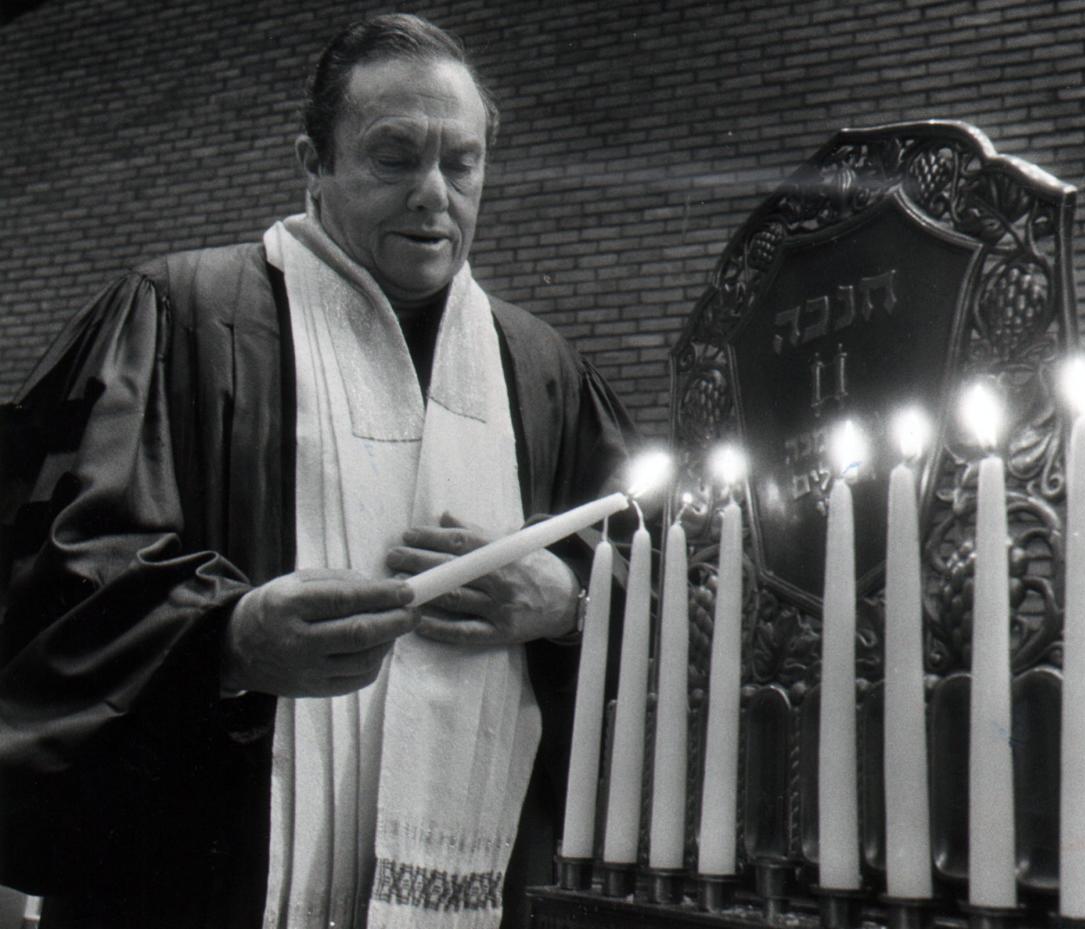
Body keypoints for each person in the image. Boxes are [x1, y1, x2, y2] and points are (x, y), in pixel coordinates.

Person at [0, 13, 635, 929]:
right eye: (393, 156)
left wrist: (567, 604)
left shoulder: (541, 368)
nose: (433, 193)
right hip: (210, 876)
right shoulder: (180, 317)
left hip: (488, 874)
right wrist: (225, 634)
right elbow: (60, 572)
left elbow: (657, 582)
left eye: (462, 162)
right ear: (314, 162)